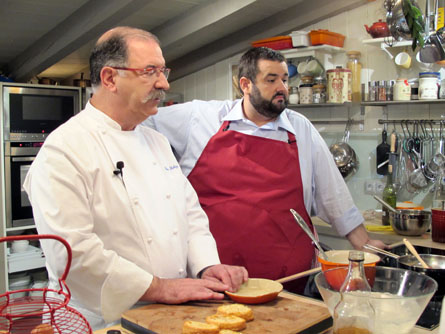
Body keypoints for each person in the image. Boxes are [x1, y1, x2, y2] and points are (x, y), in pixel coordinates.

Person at [23, 26, 247, 330]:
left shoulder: (157, 142)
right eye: (150, 71)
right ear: (110, 78)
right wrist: (161, 287)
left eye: (163, 70)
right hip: (97, 320)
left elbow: (190, 215)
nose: (164, 83)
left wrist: (207, 265)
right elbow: (71, 252)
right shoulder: (64, 150)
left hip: (170, 312)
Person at [145, 47, 386, 293]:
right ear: (245, 84)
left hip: (288, 282)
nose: (282, 87)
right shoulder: (200, 118)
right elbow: (138, 121)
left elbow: (334, 194)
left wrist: (364, 243)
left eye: (284, 79)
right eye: (271, 80)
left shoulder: (300, 128)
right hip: (215, 277)